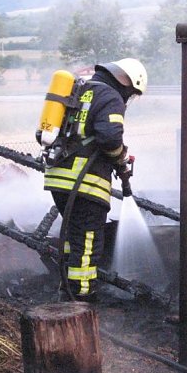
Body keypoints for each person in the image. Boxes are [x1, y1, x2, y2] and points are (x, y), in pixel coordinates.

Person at [43, 58, 147, 301]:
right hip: (85, 183)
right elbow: (110, 138)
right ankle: (81, 295)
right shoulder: (111, 97)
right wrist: (120, 157)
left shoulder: (82, 88)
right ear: (127, 82)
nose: (128, 98)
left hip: (58, 177)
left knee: (73, 237)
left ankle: (67, 289)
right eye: (132, 93)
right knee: (88, 241)